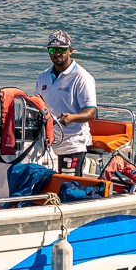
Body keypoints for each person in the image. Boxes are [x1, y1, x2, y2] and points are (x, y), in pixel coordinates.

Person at [35, 30, 97, 176]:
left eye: (61, 50)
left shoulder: (82, 78)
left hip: (72, 143)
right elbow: (37, 103)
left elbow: (92, 112)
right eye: (52, 49)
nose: (56, 53)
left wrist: (72, 118)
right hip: (46, 142)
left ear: (70, 50)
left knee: (68, 187)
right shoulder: (43, 76)